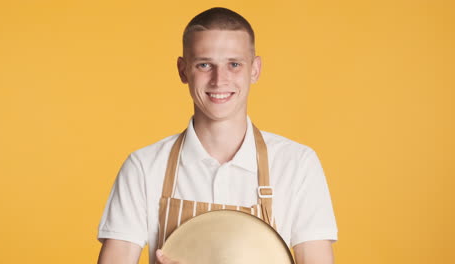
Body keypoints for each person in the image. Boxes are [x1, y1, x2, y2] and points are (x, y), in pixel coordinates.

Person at [97, 7, 338, 264]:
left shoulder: (297, 164)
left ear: (255, 70)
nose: (219, 80)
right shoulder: (143, 167)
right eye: (204, 64)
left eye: (234, 64)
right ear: (182, 70)